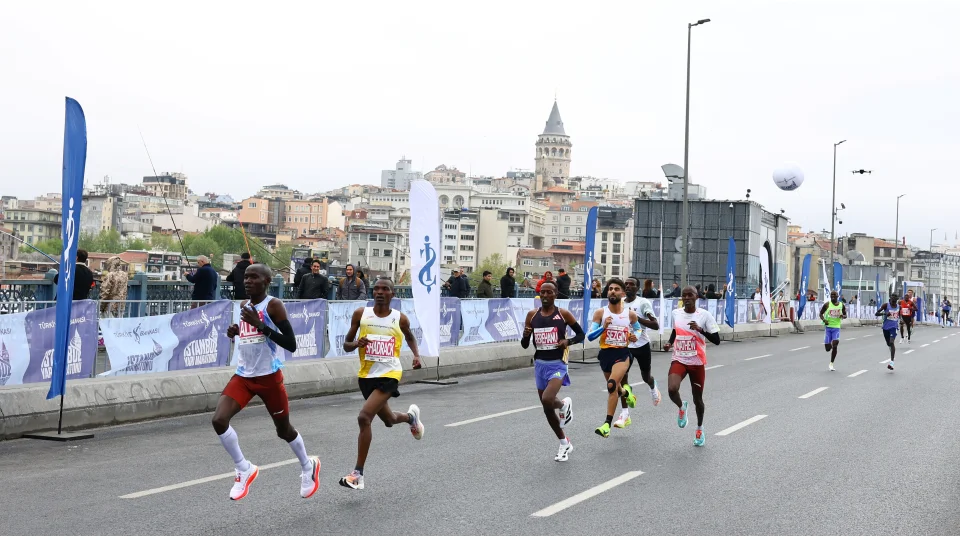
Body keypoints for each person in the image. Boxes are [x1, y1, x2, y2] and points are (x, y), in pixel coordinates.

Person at [214, 263, 319, 501]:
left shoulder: (274, 305)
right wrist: (237, 331)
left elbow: (290, 344)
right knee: (219, 420)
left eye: (254, 278)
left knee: (284, 430)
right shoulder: (243, 305)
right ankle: (243, 468)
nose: (247, 281)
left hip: (269, 377)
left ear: (266, 281)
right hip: (243, 375)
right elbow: (251, 334)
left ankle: (307, 465)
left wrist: (259, 324)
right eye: (246, 278)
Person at [339, 278, 424, 490]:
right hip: (367, 375)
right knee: (389, 419)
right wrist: (356, 343)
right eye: (376, 288)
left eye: (385, 289)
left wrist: (416, 355)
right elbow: (346, 345)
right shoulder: (361, 314)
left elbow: (410, 337)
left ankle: (357, 474)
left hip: (390, 373)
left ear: (392, 294)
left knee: (364, 417)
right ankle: (410, 418)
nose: (379, 292)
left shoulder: (400, 319)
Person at [520, 282, 585, 461]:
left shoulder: (563, 314)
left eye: (549, 292)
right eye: (542, 292)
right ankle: (564, 443)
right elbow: (525, 345)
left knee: (547, 398)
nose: (545, 295)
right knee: (547, 407)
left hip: (558, 363)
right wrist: (526, 335)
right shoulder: (532, 315)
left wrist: (568, 342)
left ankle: (563, 405)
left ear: (556, 294)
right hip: (540, 363)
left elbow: (581, 335)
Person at [662, 286, 721, 447]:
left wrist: (700, 329)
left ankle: (700, 428)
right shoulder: (676, 313)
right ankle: (682, 407)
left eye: (690, 295)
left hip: (697, 362)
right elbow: (675, 331)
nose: (687, 298)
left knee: (698, 399)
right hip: (679, 359)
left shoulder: (704, 315)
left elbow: (717, 340)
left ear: (696, 297)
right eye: (684, 296)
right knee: (672, 389)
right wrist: (669, 342)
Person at [587, 278, 642, 438]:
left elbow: (638, 330)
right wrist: (603, 328)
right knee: (616, 388)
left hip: (622, 354)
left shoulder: (629, 314)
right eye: (610, 288)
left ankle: (606, 425)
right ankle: (627, 393)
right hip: (605, 355)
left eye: (616, 289)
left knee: (611, 386)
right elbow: (590, 336)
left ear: (622, 293)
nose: (612, 291)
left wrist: (635, 336)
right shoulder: (601, 313)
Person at [615, 277, 661, 429]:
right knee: (621, 379)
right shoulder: (620, 303)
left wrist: (636, 319)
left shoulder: (642, 303)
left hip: (641, 344)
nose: (628, 286)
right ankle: (624, 413)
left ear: (637, 288)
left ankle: (653, 387)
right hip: (625, 346)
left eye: (631, 284)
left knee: (645, 376)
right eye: (626, 284)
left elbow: (655, 324)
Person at [819, 290, 847, 372]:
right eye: (831, 295)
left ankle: (831, 363)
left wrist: (843, 315)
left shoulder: (841, 305)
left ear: (838, 296)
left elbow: (845, 315)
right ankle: (830, 345)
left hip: (836, 327)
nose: (833, 297)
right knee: (828, 349)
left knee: (835, 344)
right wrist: (824, 320)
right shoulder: (827, 304)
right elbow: (820, 314)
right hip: (828, 328)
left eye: (834, 295)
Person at [876, 293, 900, 371]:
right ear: (890, 298)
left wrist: (902, 320)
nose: (894, 299)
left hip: (894, 327)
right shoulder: (886, 305)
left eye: (895, 297)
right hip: (886, 327)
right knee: (888, 343)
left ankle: (892, 362)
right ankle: (891, 351)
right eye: (893, 297)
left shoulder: (899, 307)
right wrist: (885, 313)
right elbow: (876, 313)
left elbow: (900, 315)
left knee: (892, 342)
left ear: (897, 299)